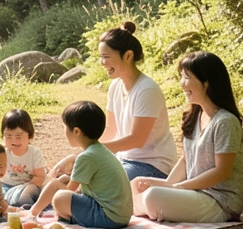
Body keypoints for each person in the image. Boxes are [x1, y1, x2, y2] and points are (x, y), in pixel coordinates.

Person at [50, 22, 175, 182]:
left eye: (106, 57)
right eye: (101, 57)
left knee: (95, 184)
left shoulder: (147, 90)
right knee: (73, 177)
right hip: (123, 160)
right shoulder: (115, 86)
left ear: (128, 56)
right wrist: (83, 154)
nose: (102, 62)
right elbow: (110, 129)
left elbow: (137, 139)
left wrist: (86, 154)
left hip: (153, 165)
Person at [132, 52, 243, 223]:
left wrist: (176, 188)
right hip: (195, 193)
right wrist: (167, 185)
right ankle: (140, 207)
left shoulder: (225, 121)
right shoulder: (195, 116)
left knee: (152, 196)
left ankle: (138, 208)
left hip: (220, 201)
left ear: (206, 83)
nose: (182, 83)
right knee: (136, 183)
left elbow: (221, 171)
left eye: (186, 77)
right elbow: (186, 160)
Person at [29, 101, 132, 229]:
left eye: (65, 126)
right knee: (63, 180)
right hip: (120, 216)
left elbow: (70, 190)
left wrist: (55, 187)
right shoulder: (100, 150)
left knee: (60, 197)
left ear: (76, 131)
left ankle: (32, 213)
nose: (64, 131)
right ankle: (36, 211)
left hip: (108, 217)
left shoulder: (86, 157)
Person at [0, 109, 46, 208]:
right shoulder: (2, 153)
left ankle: (24, 206)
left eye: (18, 136)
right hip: (6, 186)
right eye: (8, 136)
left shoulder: (34, 153)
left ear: (29, 135)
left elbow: (40, 177)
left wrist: (25, 185)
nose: (14, 140)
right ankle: (7, 208)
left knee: (31, 189)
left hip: (26, 186)